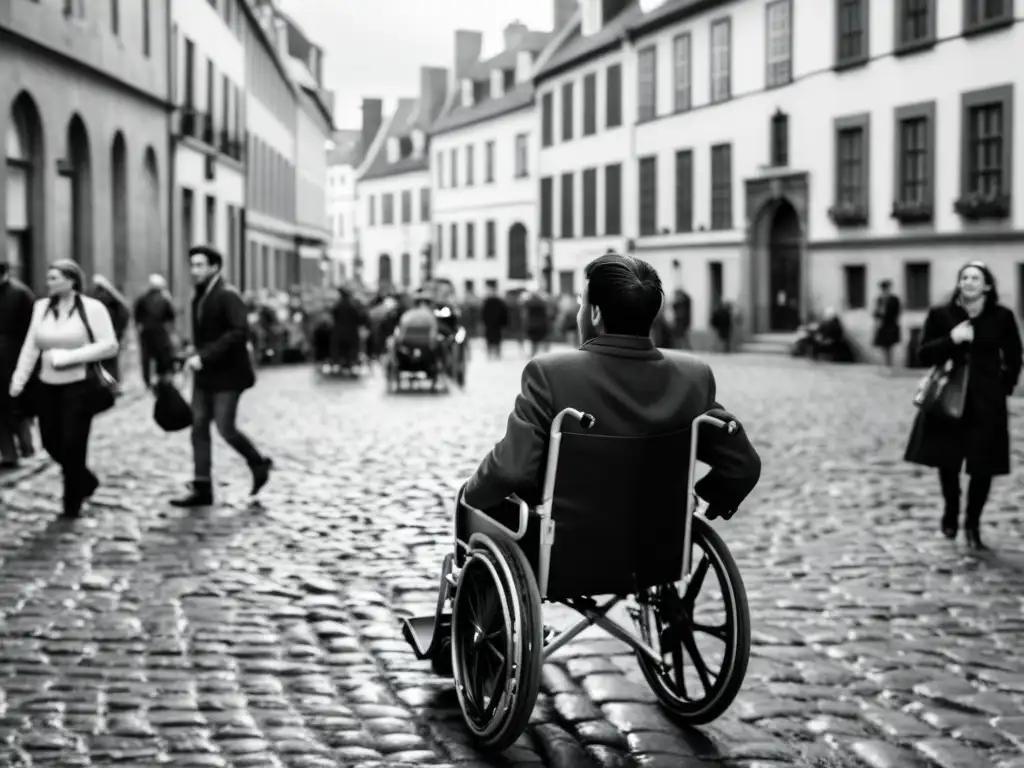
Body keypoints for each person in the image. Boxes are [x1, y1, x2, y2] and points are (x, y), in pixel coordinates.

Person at [462, 252, 762, 518]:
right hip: (659, 556)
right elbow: (742, 465)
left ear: (595, 313)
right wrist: (706, 496)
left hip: (565, 557)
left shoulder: (550, 374)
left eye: (582, 302)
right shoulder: (693, 376)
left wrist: (469, 498)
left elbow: (510, 469)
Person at [904, 261, 1022, 550]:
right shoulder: (942, 314)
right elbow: (923, 354)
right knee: (947, 460)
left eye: (975, 278)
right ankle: (951, 508)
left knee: (983, 465)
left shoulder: (1001, 316)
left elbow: (1015, 355)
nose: (968, 282)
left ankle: (972, 522)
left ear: (987, 286)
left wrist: (1002, 386)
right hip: (948, 397)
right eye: (964, 277)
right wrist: (952, 339)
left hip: (986, 402)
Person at [7, 260, 119, 516]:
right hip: (47, 387)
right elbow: (31, 347)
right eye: (49, 278)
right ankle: (86, 480)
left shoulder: (92, 308)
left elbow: (109, 345)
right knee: (50, 441)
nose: (49, 283)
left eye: (55, 278)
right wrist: (18, 380)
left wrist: (70, 357)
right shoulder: (41, 307)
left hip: (79, 387)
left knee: (74, 443)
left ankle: (72, 504)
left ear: (72, 280)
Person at [171, 246, 273, 507]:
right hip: (205, 375)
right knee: (198, 428)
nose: (195, 271)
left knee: (225, 428)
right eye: (192, 265)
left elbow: (239, 331)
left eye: (200, 265)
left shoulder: (227, 295)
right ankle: (202, 487)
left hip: (228, 375)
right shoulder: (201, 295)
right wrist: (194, 352)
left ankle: (258, 463)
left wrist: (204, 356)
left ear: (215, 267)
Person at [0, 260, 36, 469]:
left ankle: (27, 447)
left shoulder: (21, 294)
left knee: (18, 408)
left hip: (15, 361)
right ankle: (9, 454)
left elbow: (33, 330)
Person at [133, 274, 177, 388]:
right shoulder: (164, 299)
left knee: (146, 357)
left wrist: (139, 326)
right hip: (160, 331)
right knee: (161, 355)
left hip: (146, 331)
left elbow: (137, 315)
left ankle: (147, 380)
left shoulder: (142, 298)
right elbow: (171, 315)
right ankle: (160, 378)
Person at [872, 279, 902, 368]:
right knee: (883, 345)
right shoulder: (879, 299)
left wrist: (886, 313)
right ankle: (886, 363)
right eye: (884, 289)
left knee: (890, 345)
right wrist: (879, 313)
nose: (885, 291)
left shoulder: (894, 299)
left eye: (887, 288)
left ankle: (889, 363)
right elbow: (875, 313)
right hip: (882, 325)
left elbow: (897, 312)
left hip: (891, 324)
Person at [481, 285, 509, 359]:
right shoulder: (487, 301)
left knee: (497, 338)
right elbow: (483, 313)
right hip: (490, 324)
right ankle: (490, 353)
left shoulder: (498, 302)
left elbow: (504, 312)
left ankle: (497, 353)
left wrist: (503, 322)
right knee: (490, 338)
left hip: (497, 324)